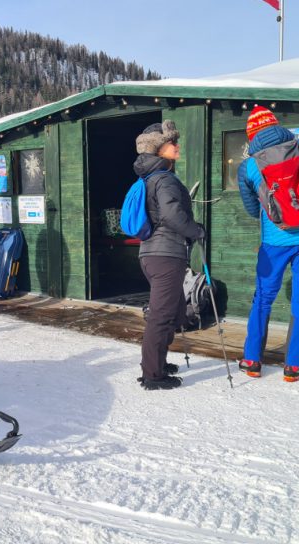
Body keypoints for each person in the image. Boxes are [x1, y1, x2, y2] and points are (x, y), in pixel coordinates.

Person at [237, 105, 299, 382]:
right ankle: (294, 366)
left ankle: (252, 360)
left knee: (263, 298)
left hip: (274, 241)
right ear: (278, 126)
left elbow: (253, 210)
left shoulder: (249, 165)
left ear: (252, 134)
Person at [133, 120, 205, 391]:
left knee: (174, 311)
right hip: (165, 255)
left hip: (153, 253)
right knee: (161, 316)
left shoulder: (151, 177)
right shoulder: (164, 178)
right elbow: (172, 215)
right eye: (172, 142)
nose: (177, 146)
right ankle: (152, 375)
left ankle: (158, 363)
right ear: (159, 148)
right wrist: (196, 230)